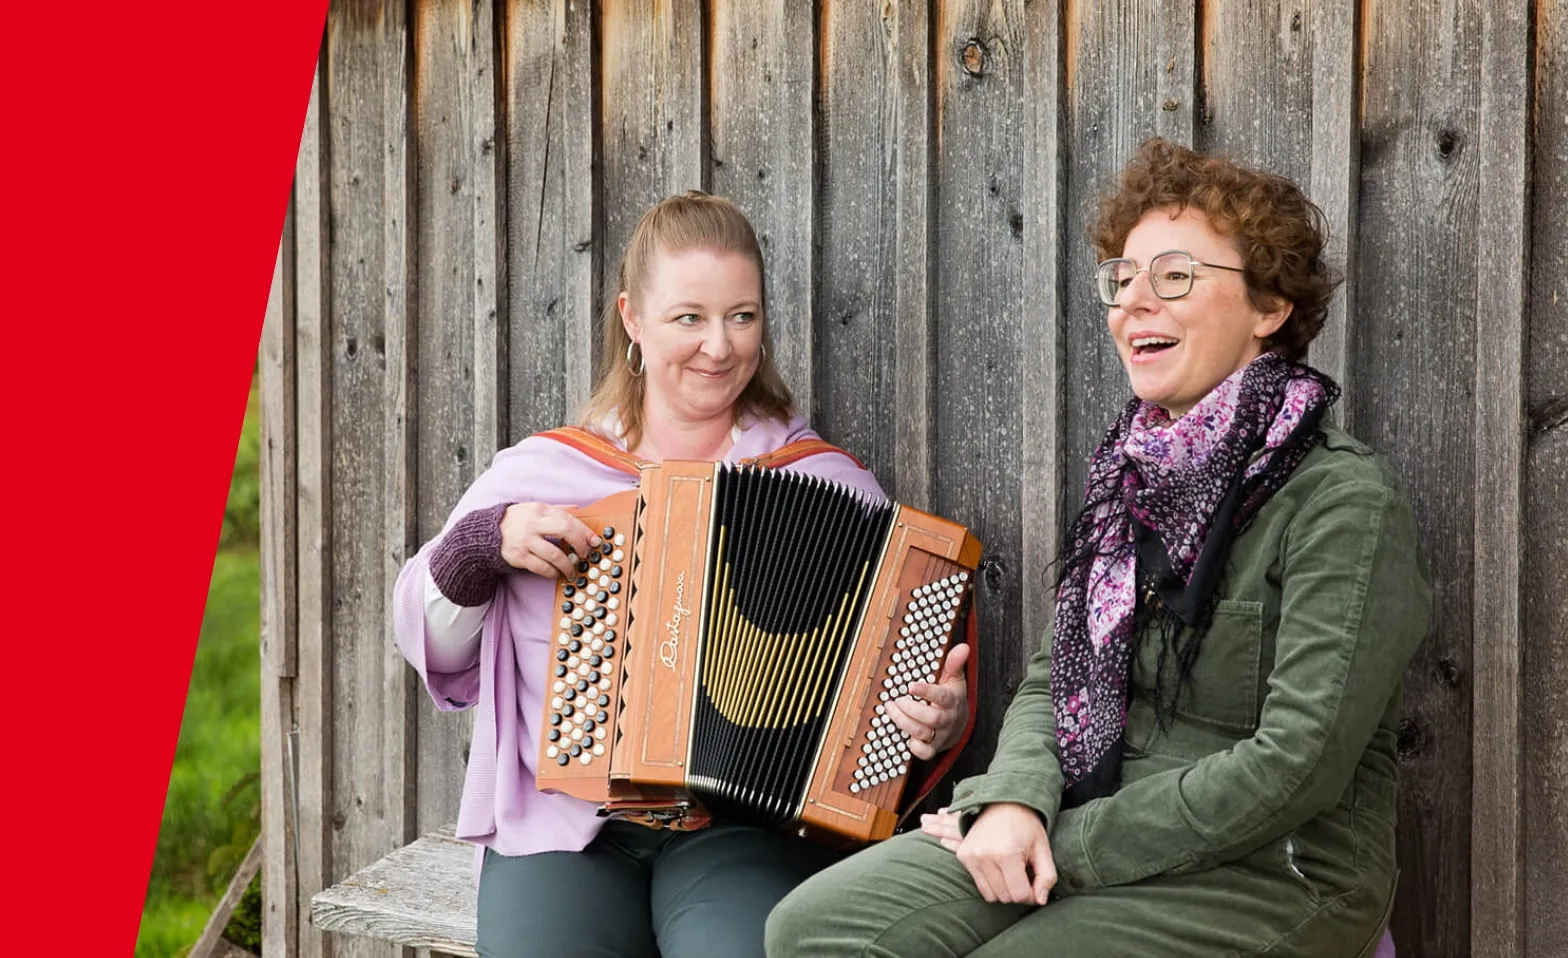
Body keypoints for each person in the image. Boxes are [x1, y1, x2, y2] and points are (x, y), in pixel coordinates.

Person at [765, 139, 1431, 958]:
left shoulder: (1342, 500)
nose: (1134, 301)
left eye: (1175, 276)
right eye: (1123, 279)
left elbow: (1298, 763)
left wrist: (1065, 843)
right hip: (1082, 816)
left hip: (1274, 871)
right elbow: (1055, 678)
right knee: (814, 927)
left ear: (1269, 307)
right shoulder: (1133, 477)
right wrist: (1012, 802)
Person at [391, 191, 973, 958]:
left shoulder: (825, 484)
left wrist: (936, 723)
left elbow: (890, 704)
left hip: (746, 830)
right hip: (563, 827)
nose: (719, 347)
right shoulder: (545, 473)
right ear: (633, 319)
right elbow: (426, 639)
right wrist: (481, 547)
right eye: (689, 317)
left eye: (742, 316)